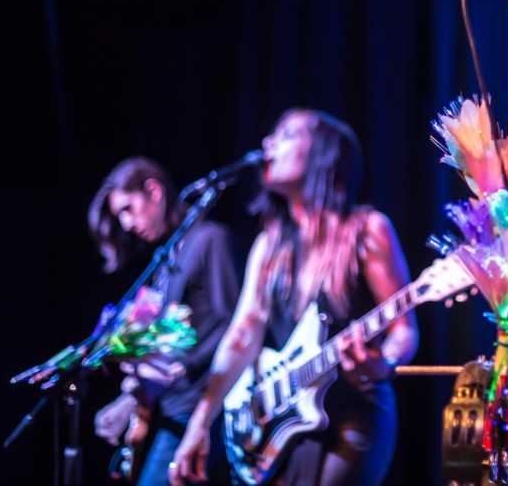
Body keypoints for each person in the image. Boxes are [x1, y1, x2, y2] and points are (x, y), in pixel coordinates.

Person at [169, 109, 420, 486]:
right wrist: (200, 422)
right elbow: (240, 336)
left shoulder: (367, 229)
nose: (269, 143)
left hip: (352, 416)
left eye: (286, 134)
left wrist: (382, 363)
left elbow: (405, 329)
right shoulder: (269, 245)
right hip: (284, 425)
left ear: (321, 152)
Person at [89, 156, 243, 486]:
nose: (127, 224)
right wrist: (129, 402)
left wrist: (183, 369)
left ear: (154, 191)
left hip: (202, 408)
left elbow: (237, 325)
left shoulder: (210, 239)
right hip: (171, 411)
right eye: (121, 216)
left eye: (129, 208)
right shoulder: (167, 260)